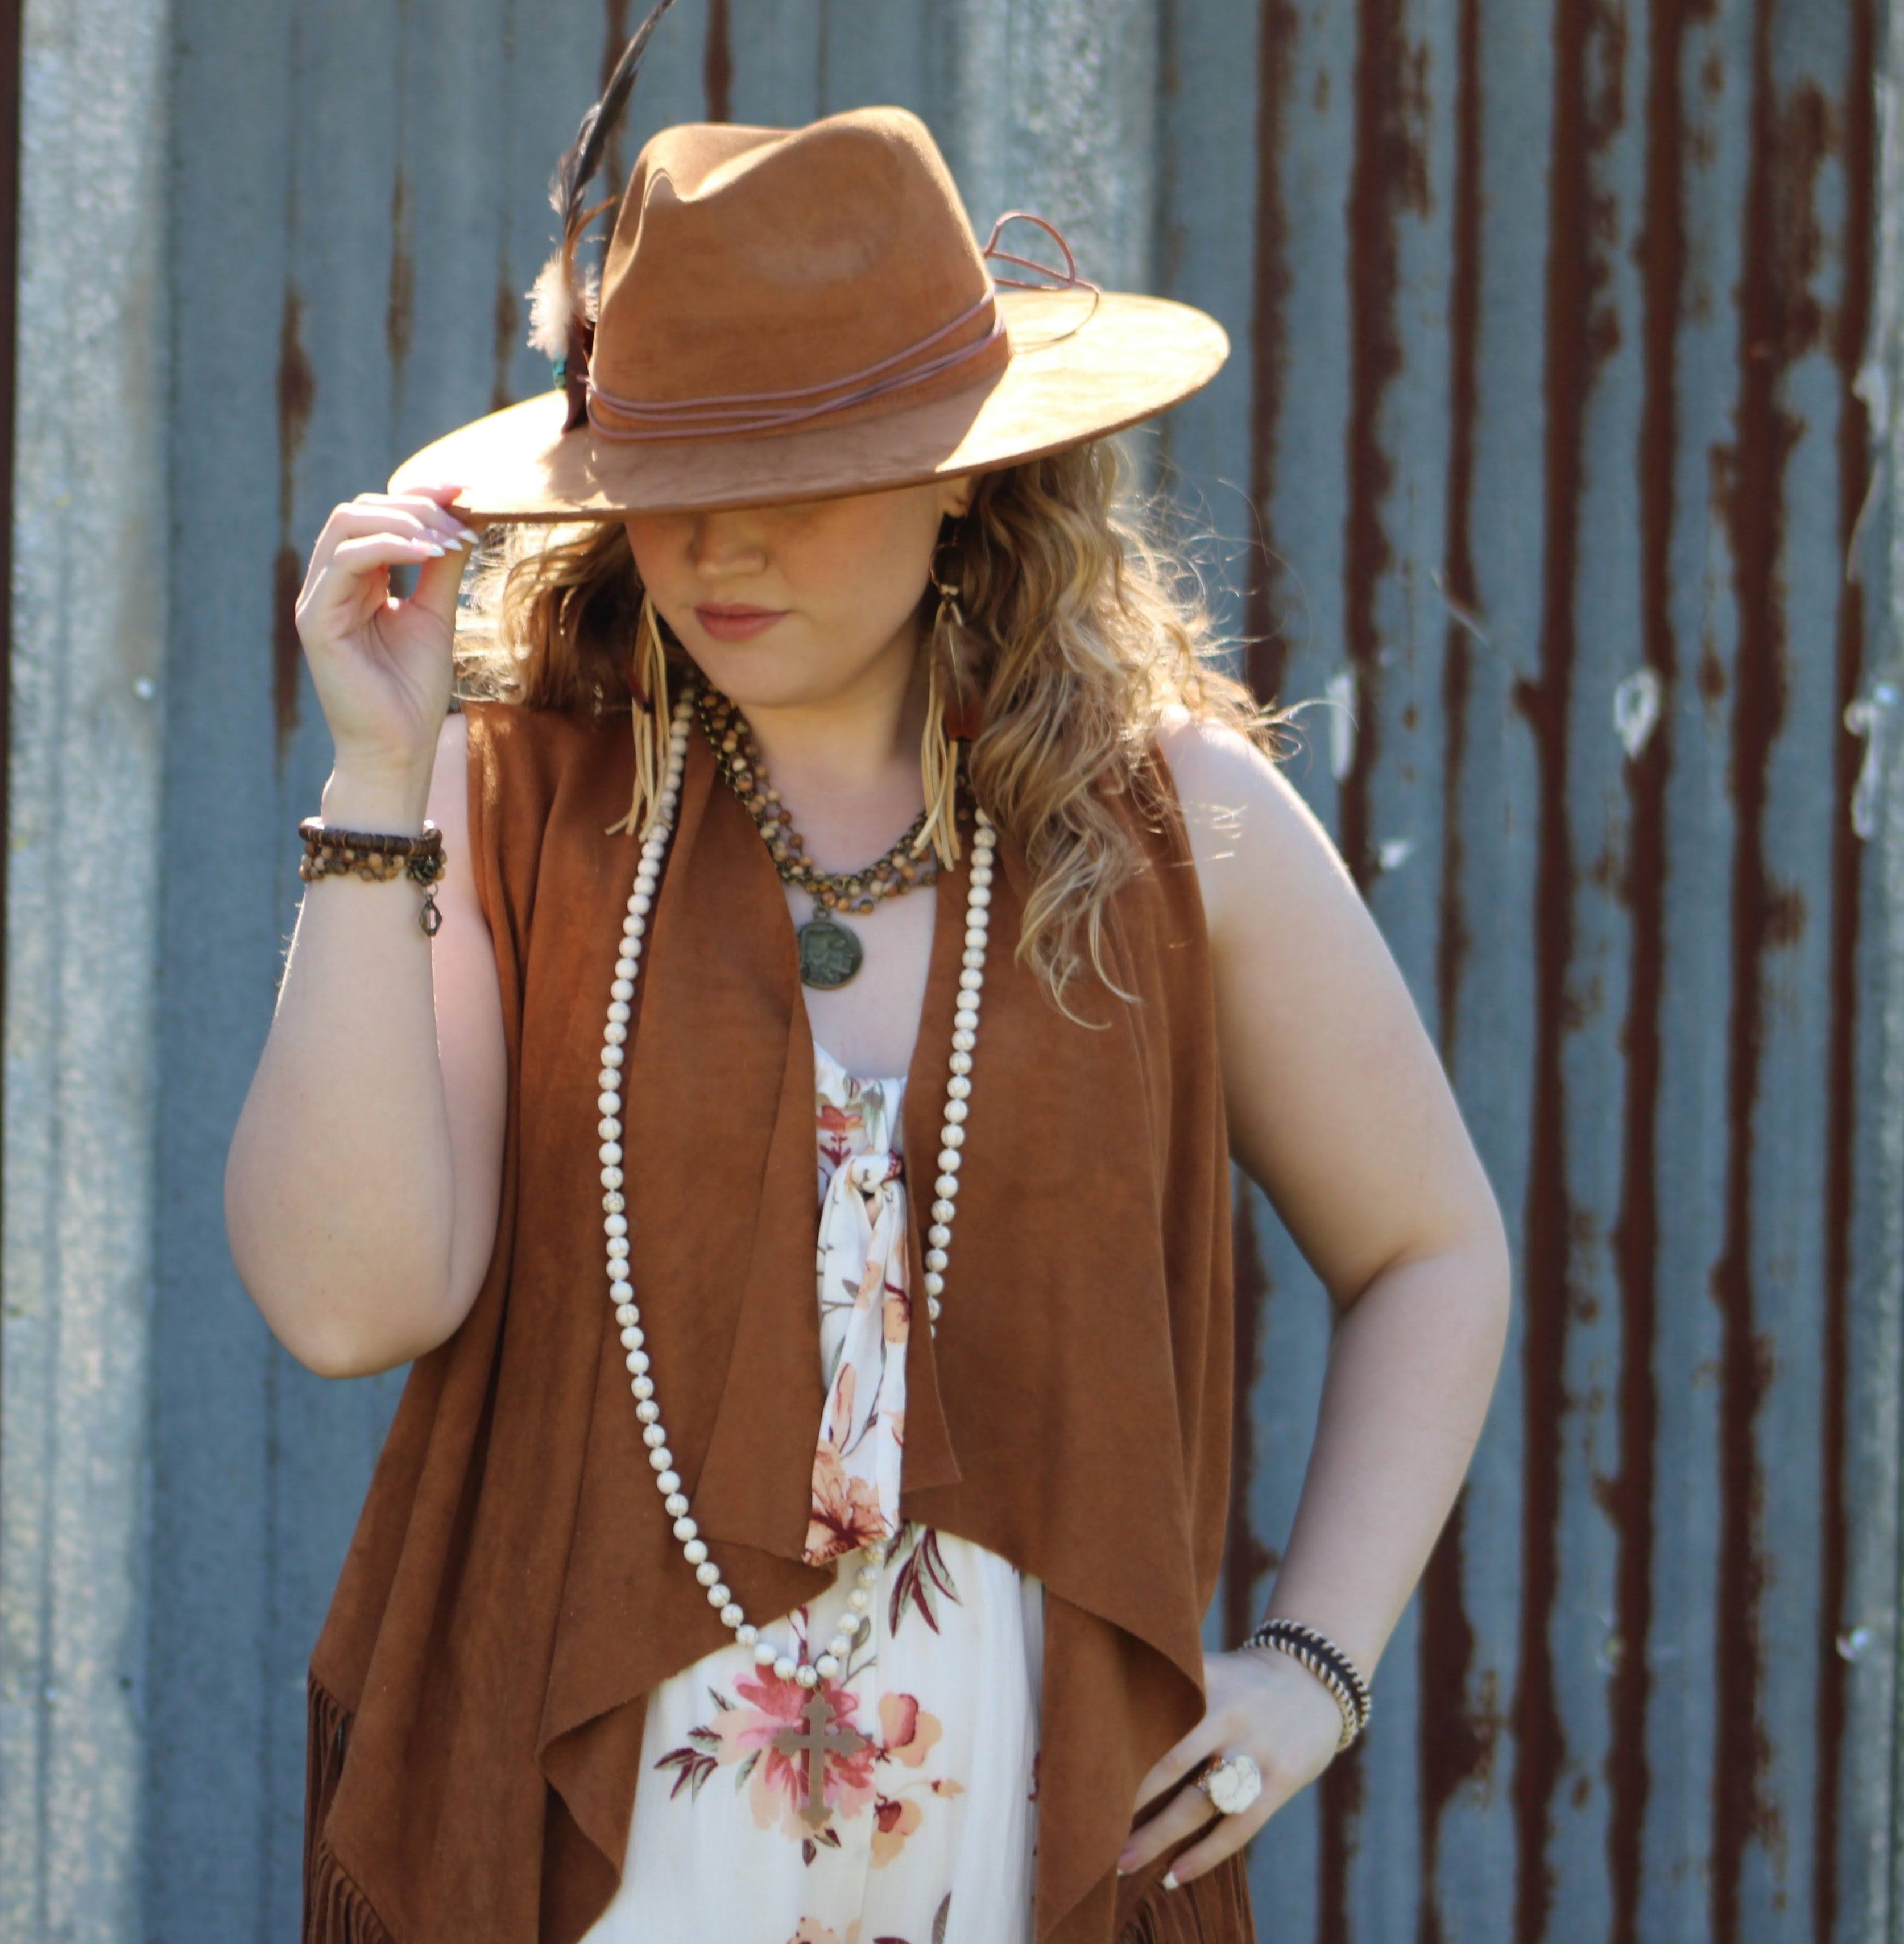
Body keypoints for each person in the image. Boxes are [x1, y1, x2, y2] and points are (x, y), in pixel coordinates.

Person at [223, 101, 1510, 1944]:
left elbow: (1434, 1248)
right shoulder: (505, 804)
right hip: (581, 1876)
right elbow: (349, 1299)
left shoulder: (1170, 827)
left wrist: (1315, 1663)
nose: (724, 540)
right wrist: (373, 770)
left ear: (962, 471)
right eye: (675, 472)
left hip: (1025, 1875)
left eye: (808, 468)